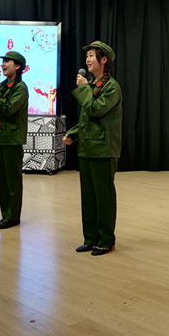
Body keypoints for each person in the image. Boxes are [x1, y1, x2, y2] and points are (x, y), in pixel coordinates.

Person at [63, 41, 122, 256]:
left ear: (103, 60)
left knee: (103, 196)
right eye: (87, 56)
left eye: (91, 55)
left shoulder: (111, 87)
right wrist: (73, 133)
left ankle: (106, 240)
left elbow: (96, 110)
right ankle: (90, 238)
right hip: (87, 148)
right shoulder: (91, 85)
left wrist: (84, 89)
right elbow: (87, 119)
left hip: (103, 149)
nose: (87, 60)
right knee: (88, 196)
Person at [0, 51, 29, 230]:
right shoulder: (3, 84)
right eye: (3, 61)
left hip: (12, 139)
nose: (3, 64)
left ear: (17, 66)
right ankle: (6, 214)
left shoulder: (21, 88)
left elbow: (9, 108)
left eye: (7, 61)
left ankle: (13, 217)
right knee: (2, 180)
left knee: (12, 180)